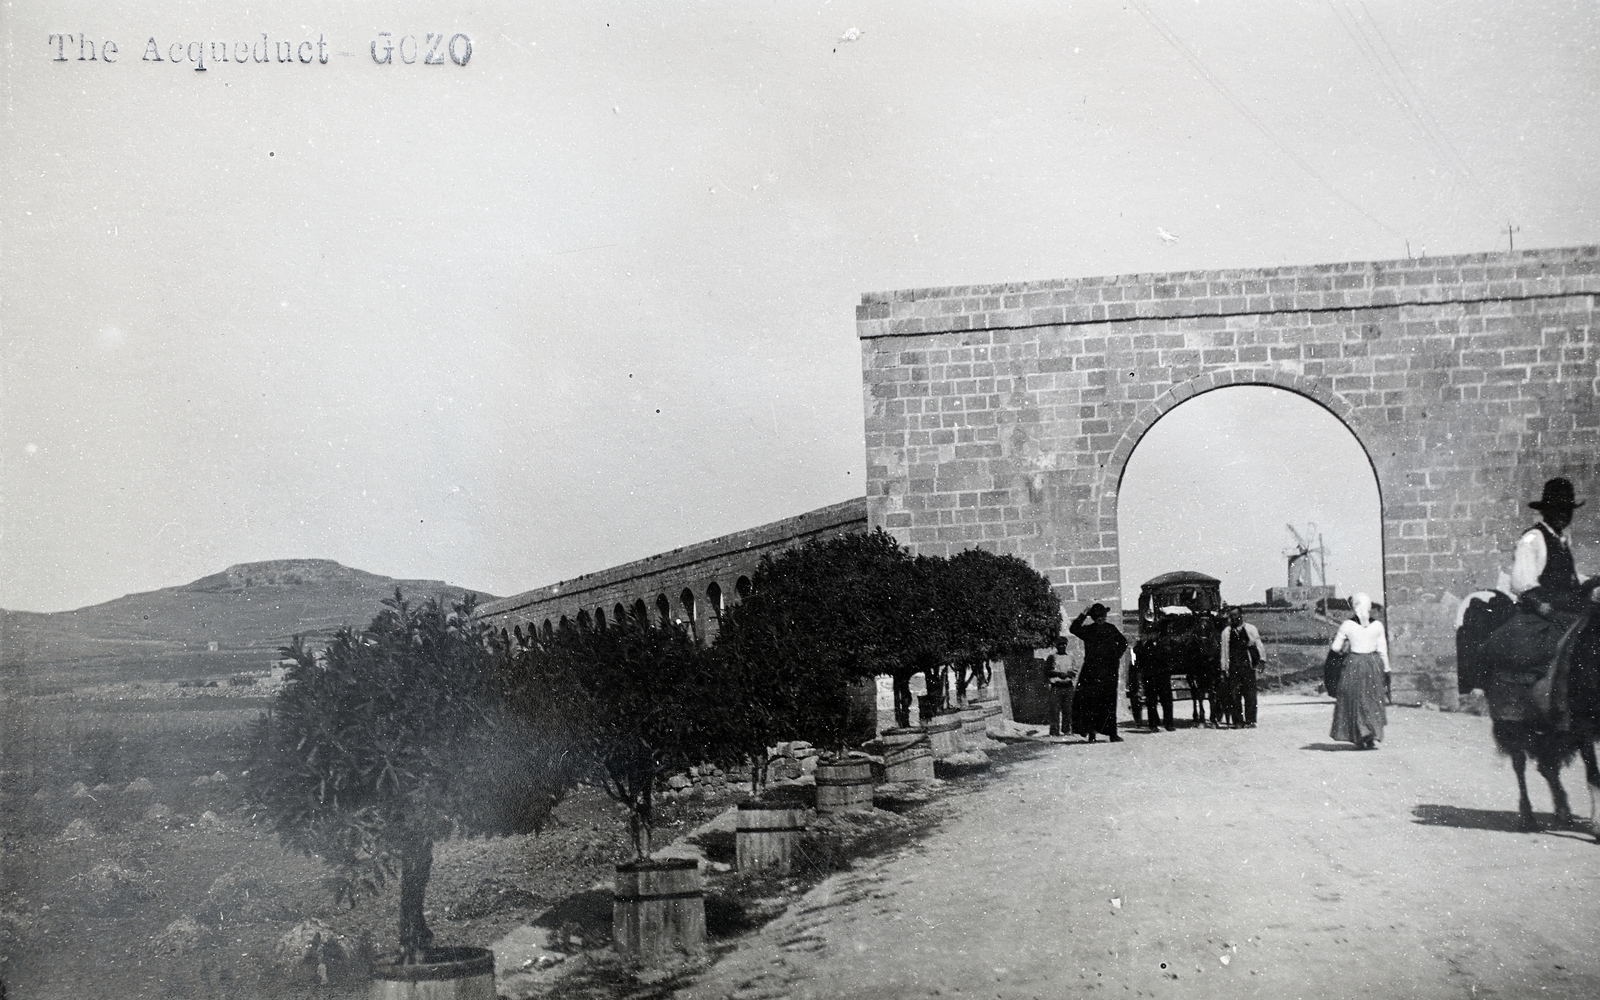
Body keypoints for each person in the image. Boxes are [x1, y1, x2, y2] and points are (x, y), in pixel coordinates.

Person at [1510, 477, 1597, 619]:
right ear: (1545, 511)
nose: (1563, 514)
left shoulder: (1559, 539)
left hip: (1566, 609)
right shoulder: (1533, 539)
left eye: (1567, 510)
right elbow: (1523, 585)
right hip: (1543, 615)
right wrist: (1546, 610)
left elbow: (1568, 578)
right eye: (1557, 509)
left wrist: (1590, 583)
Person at [1329, 592, 1390, 749]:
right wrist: (1387, 670)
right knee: (1373, 699)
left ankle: (1359, 735)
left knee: (1354, 699)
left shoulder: (1347, 625)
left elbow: (1335, 648)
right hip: (1373, 663)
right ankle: (1371, 734)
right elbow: (1383, 651)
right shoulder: (1377, 626)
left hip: (1353, 663)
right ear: (1369, 607)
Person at [1069, 603, 1128, 743]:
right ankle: (1100, 734)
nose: (1102, 618)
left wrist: (1083, 614)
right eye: (1100, 616)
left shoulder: (1105, 629)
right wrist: (1115, 658)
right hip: (1100, 671)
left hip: (1098, 671)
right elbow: (1124, 643)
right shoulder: (1099, 629)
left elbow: (1123, 643)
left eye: (1102, 616)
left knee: (1098, 702)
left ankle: (1102, 734)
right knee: (1098, 702)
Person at [1218, 607, 1266, 728]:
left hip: (1247, 667)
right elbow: (1224, 651)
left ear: (1241, 615)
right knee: (1234, 695)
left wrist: (1262, 660)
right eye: (1231, 616)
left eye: (1236, 615)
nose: (1233, 618)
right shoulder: (1226, 632)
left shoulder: (1251, 629)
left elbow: (1259, 645)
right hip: (1233, 667)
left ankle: (1250, 720)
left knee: (1250, 695)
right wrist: (1224, 669)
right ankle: (1238, 721)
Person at [1044, 654, 1075, 737]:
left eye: (1064, 644)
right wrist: (1058, 674)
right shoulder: (1052, 657)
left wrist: (1069, 674)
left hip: (1068, 686)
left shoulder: (1070, 657)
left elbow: (1075, 671)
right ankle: (1054, 731)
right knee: (1054, 710)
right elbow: (1047, 671)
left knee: (1068, 710)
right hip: (1056, 686)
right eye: (1059, 644)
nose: (1062, 646)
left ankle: (1067, 730)